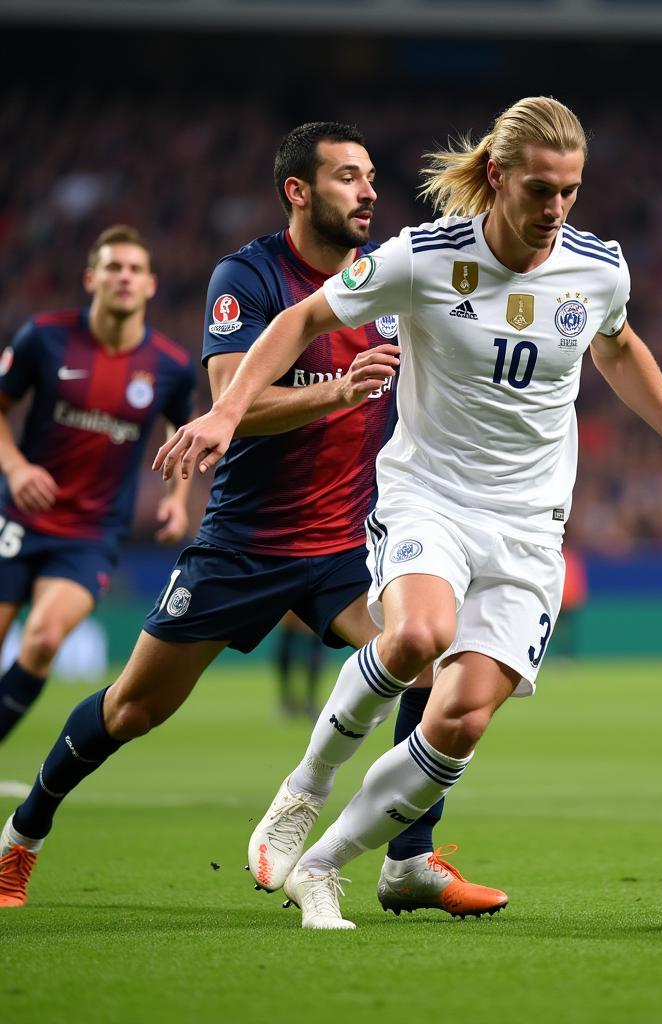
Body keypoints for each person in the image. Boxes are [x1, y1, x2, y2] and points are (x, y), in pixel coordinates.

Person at [154, 96, 662, 931]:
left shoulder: (598, 267)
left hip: (531, 528)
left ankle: (323, 869)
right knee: (418, 638)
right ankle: (305, 789)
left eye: (571, 190)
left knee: (459, 720)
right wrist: (226, 411)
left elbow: (618, 343)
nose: (557, 209)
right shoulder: (421, 258)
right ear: (497, 177)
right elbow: (304, 316)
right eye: (541, 189)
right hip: (430, 495)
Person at [0, 122, 506, 918]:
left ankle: (410, 860)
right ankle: (21, 840)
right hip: (245, 544)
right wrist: (333, 393)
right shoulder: (250, 275)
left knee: (429, 655)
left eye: (371, 176)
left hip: (349, 543)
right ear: (298, 191)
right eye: (347, 177)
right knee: (134, 707)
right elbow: (234, 406)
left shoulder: (390, 276)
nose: (369, 191)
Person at [0, 225, 195, 744]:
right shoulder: (44, 336)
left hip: (90, 533)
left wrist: (177, 499)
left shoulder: (171, 366)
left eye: (135, 269)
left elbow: (183, 427)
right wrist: (17, 468)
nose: (124, 277)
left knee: (42, 640)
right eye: (113, 267)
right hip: (19, 517)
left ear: (151, 284)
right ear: (92, 278)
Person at [275, 611, 326, 719]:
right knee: (284, 655)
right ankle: (287, 701)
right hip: (291, 613)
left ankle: (310, 701)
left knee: (315, 656)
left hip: (314, 613)